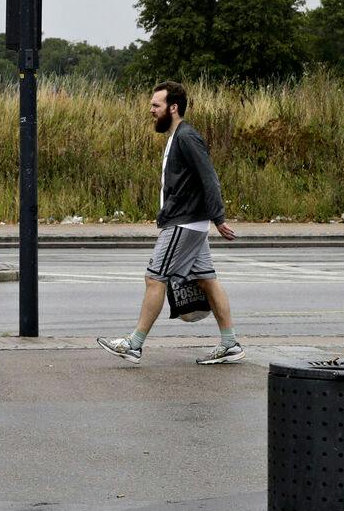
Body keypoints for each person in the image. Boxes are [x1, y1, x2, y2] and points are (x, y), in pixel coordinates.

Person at [99, 81, 244, 366]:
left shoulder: (187, 137)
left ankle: (134, 345)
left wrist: (218, 216)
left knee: (155, 278)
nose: (151, 110)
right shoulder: (176, 136)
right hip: (190, 222)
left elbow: (209, 177)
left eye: (156, 105)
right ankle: (230, 343)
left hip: (184, 223)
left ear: (173, 107)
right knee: (207, 280)